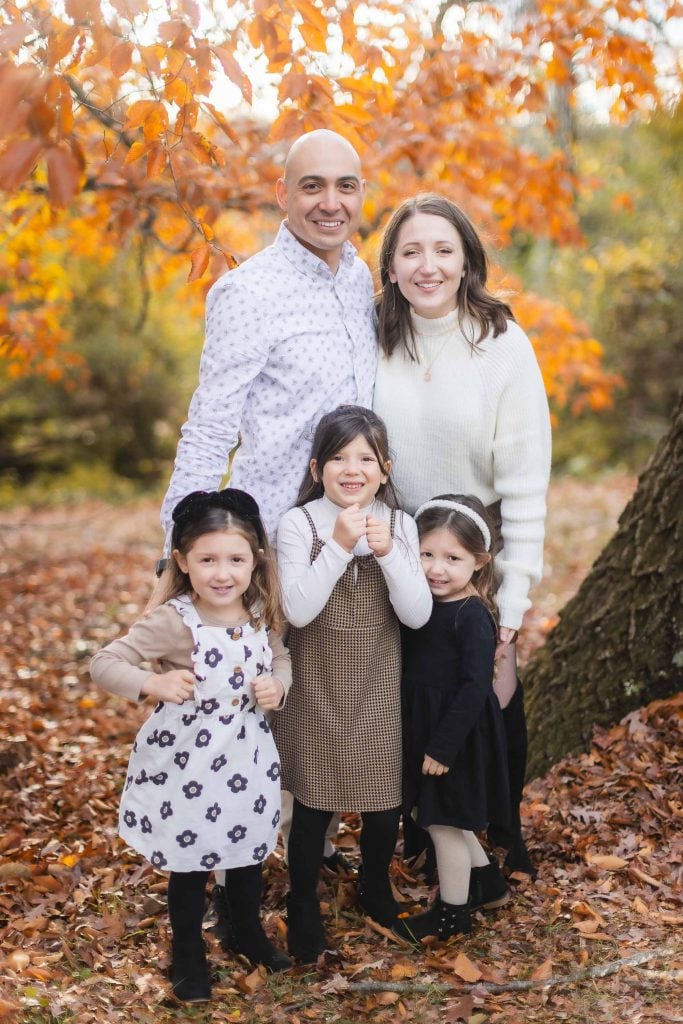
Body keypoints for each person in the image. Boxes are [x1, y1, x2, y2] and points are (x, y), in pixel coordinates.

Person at [155, 128, 377, 927]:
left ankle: (300, 847)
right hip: (267, 537)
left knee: (310, 696)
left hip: (345, 531)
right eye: (311, 186)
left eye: (345, 186)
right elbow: (208, 428)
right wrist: (174, 549)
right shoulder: (246, 291)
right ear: (281, 195)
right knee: (245, 706)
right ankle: (222, 885)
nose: (330, 202)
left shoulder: (361, 285)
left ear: (361, 195)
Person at [373, 193, 551, 875]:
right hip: (397, 550)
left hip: (477, 550)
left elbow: (525, 481)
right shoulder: (376, 335)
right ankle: (427, 837)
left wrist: (510, 599)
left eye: (443, 249)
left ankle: (498, 842)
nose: (428, 265)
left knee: (488, 694)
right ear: (390, 266)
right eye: (411, 251)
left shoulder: (501, 343)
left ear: (466, 260)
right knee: (418, 696)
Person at [90, 489, 292, 1002]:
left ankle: (245, 931)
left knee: (246, 851)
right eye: (207, 559)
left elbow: (280, 657)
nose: (222, 573)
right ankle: (187, 951)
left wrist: (278, 685)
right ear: (182, 560)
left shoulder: (259, 608)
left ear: (256, 560)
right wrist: (151, 684)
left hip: (247, 756)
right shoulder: (174, 621)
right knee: (192, 859)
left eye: (235, 559)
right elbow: (105, 662)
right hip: (190, 763)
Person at [272, 406, 432, 962]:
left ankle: (373, 887)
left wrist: (388, 553)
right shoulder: (301, 524)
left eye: (366, 457)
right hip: (316, 683)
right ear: (317, 468)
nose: (352, 468)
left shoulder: (401, 524)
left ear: (385, 470)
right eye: (338, 457)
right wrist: (339, 545)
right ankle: (302, 904)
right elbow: (297, 608)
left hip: (377, 680)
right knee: (314, 799)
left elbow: (416, 615)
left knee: (383, 801)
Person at [393, 495, 511, 944]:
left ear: (478, 563)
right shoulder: (420, 605)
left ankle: (452, 914)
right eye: (426, 554)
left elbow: (474, 686)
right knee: (449, 816)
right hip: (428, 723)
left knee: (443, 823)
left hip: (456, 735)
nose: (436, 568)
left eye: (452, 558)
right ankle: (488, 883)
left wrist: (443, 746)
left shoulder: (472, 615)